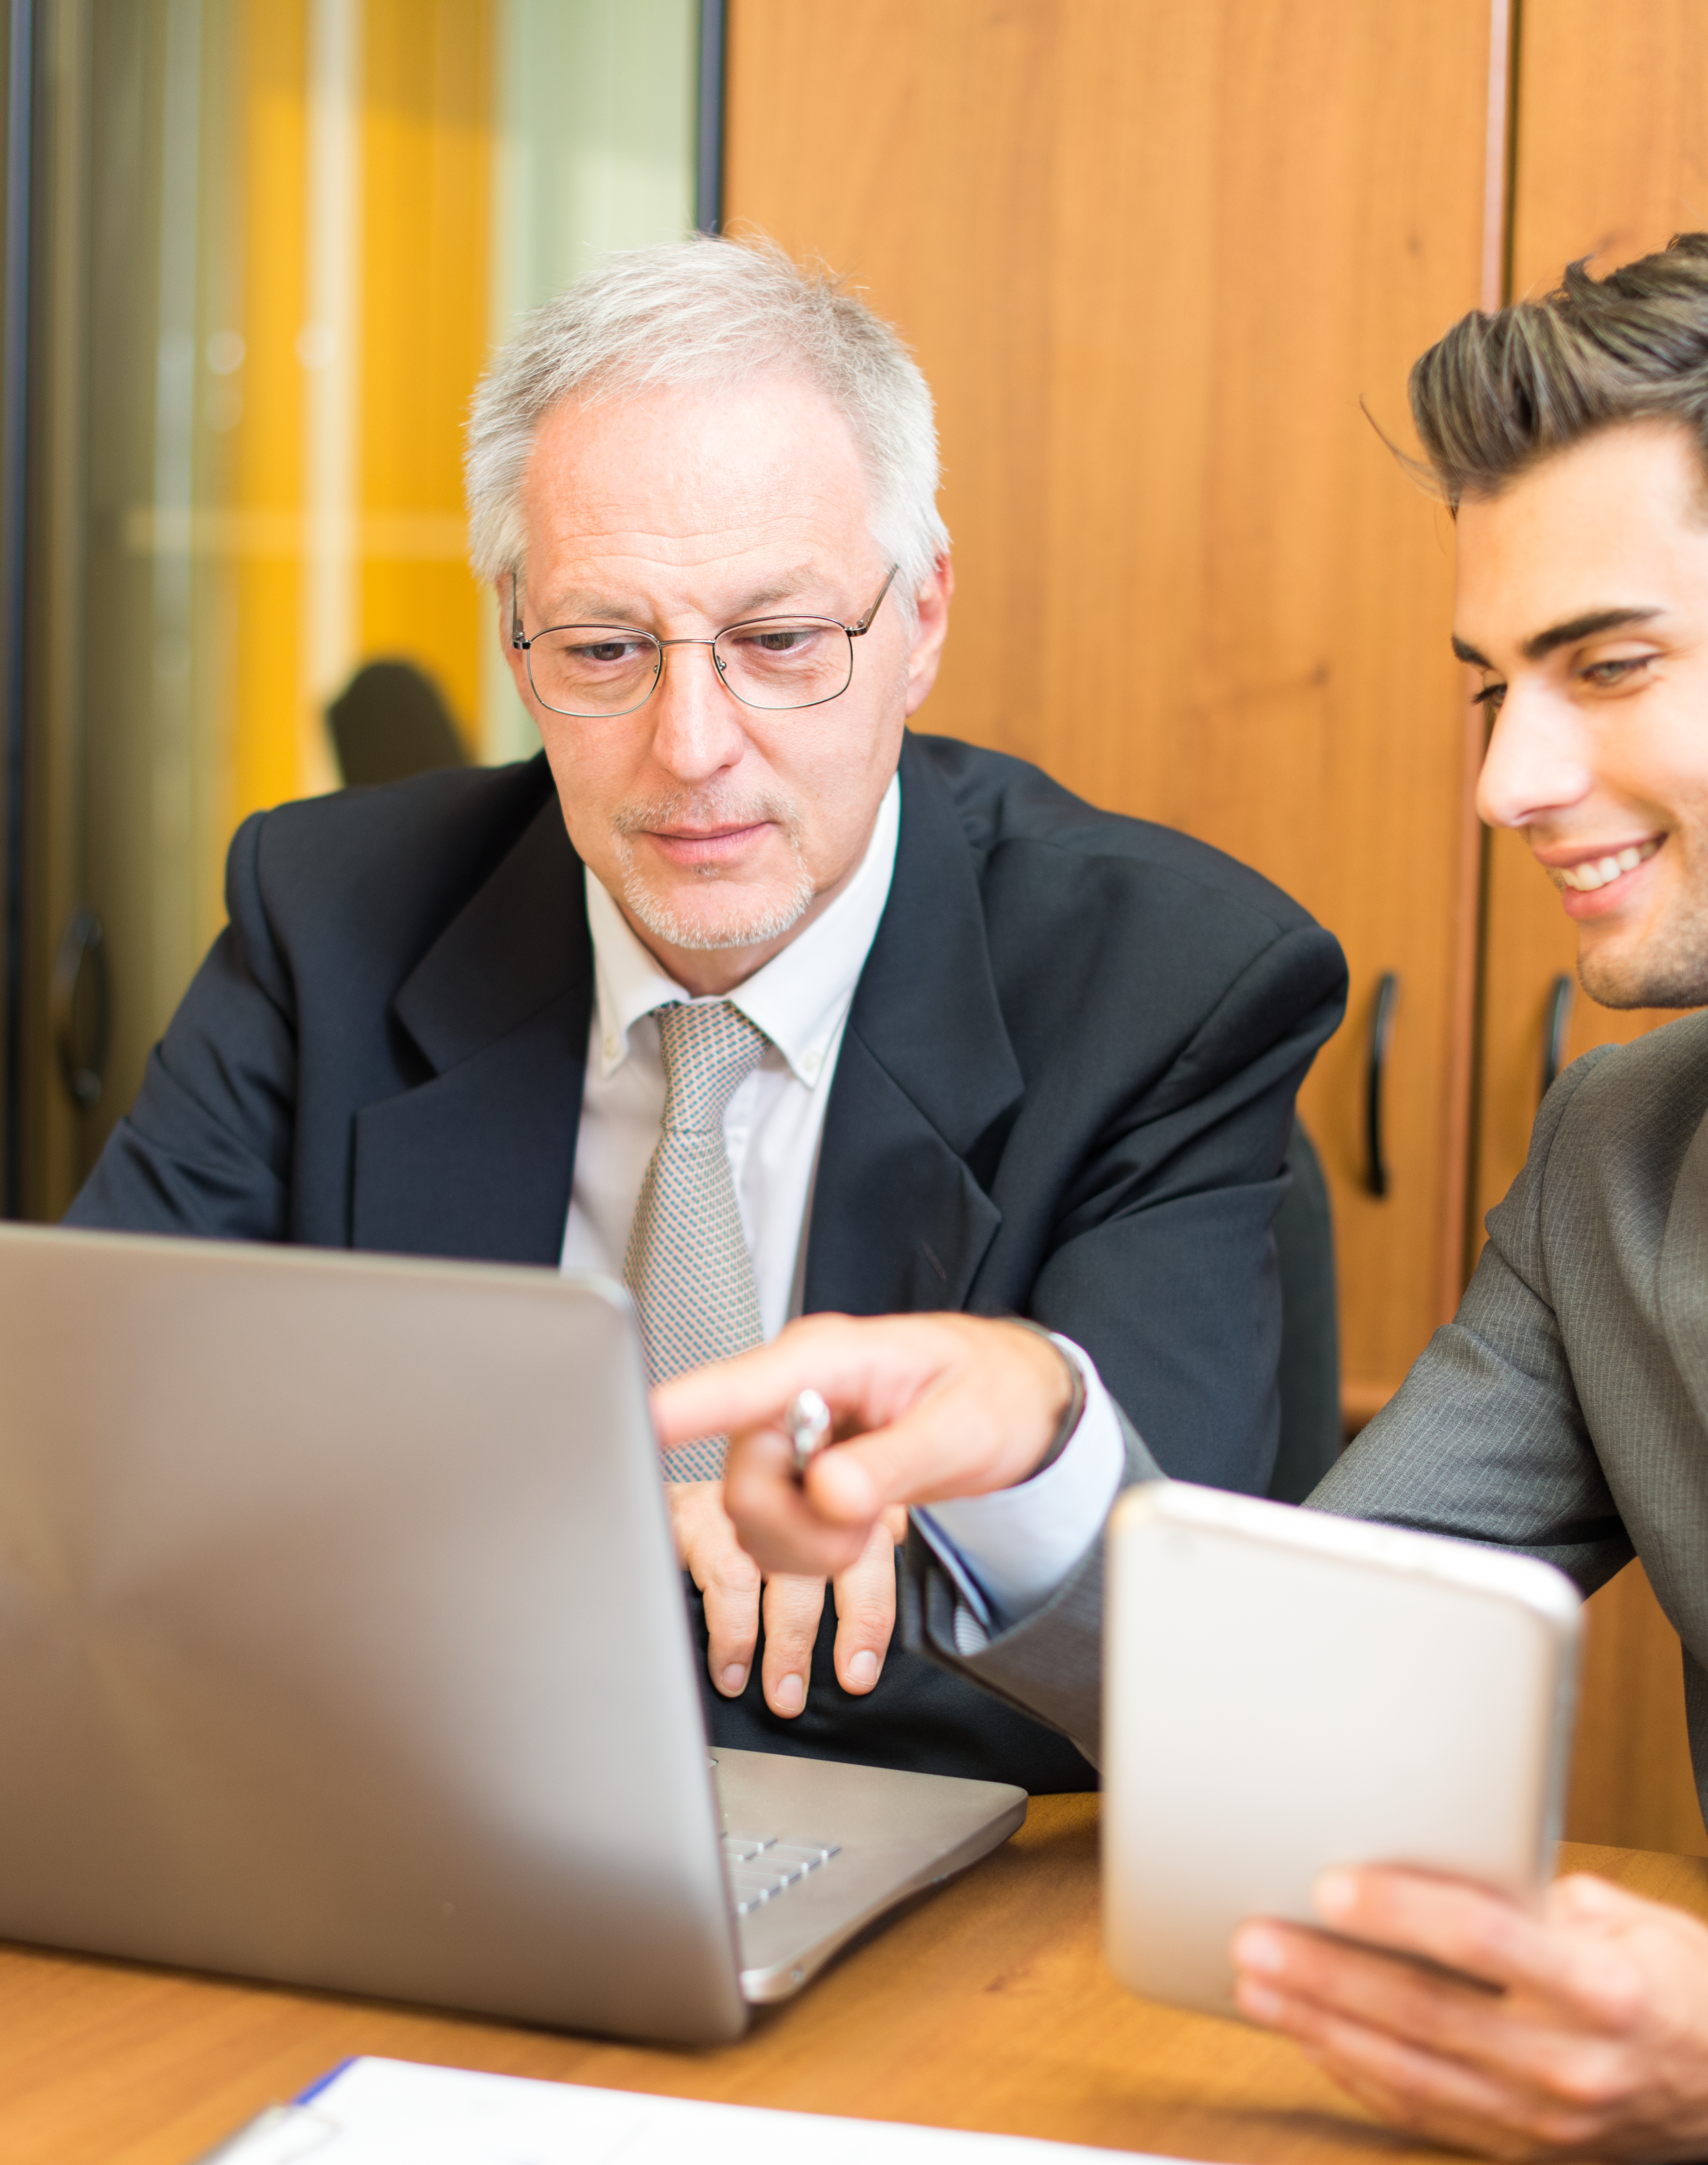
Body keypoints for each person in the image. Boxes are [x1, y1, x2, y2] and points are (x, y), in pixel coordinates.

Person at [672, 227, 1708, 2164]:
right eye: (1490, 686)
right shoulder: (1610, 1158)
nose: (1510, 777)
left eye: (1607, 664)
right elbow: (1288, 1709)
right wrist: (1032, 1444)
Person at [67, 236, 1346, 1791]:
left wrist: (437, 1564)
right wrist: (613, 1529)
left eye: (780, 643)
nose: (691, 746)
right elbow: (101, 1478)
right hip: (406, 1836)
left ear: (921, 620)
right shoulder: (331, 915)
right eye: (607, 650)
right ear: (516, 638)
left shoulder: (1167, 987)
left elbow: (1131, 1659)